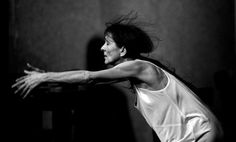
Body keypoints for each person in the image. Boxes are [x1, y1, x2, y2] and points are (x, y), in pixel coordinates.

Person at [12, 13, 223, 142]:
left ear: (122, 50)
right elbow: (90, 78)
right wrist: (48, 78)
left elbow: (88, 77)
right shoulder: (133, 71)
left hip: (202, 135)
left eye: (107, 43)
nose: (102, 48)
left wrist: (45, 77)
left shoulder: (138, 67)